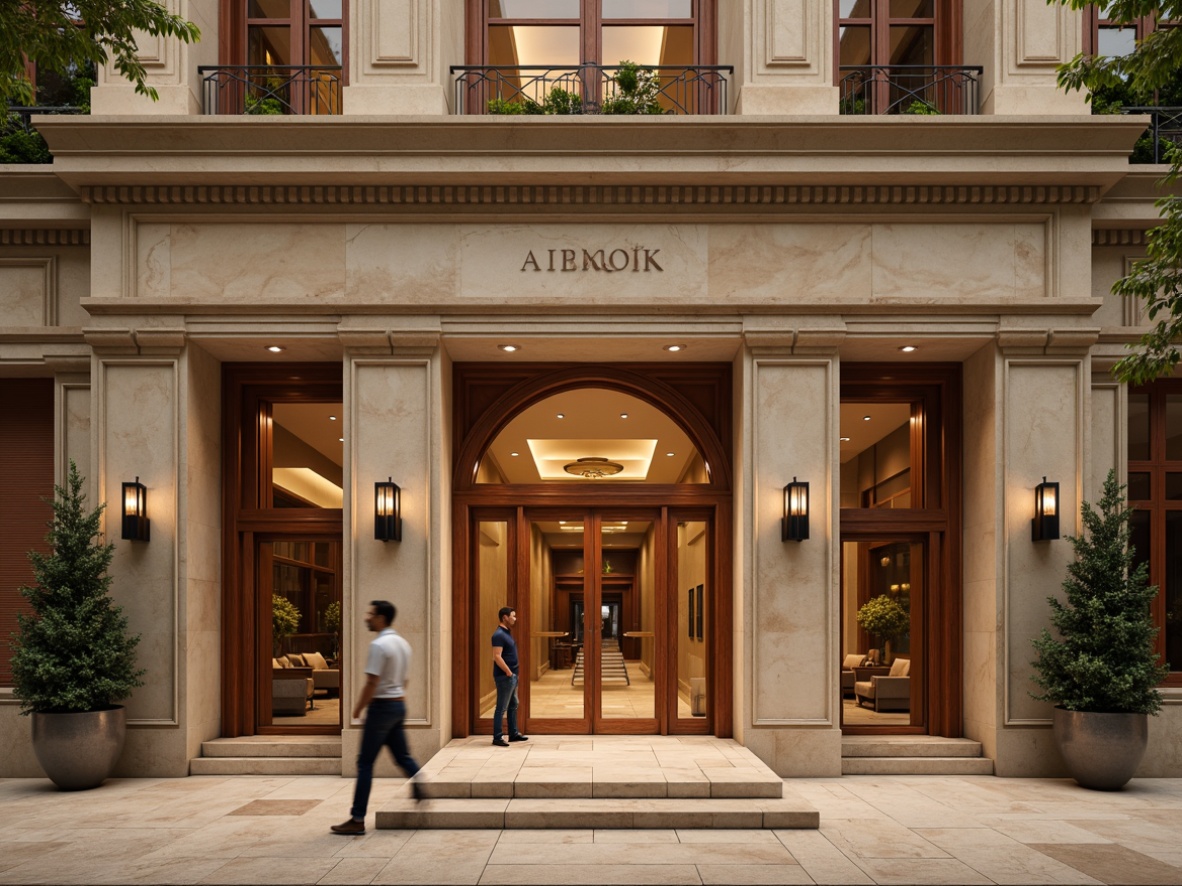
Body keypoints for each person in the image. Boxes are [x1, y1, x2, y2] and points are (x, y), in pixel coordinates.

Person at [331, 600, 425, 835]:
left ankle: (357, 818)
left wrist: (358, 708)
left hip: (381, 709)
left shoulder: (379, 645)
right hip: (398, 706)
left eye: (371, 614)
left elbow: (372, 681)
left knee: (365, 763)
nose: (367, 617)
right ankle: (418, 778)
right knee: (402, 755)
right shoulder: (403, 644)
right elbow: (405, 680)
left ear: (381, 618)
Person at [491, 606, 528, 747]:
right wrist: (508, 672)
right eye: (513, 616)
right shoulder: (498, 635)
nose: (515, 618)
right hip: (505, 676)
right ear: (505, 617)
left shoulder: (507, 633)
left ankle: (513, 733)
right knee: (501, 707)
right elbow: (496, 656)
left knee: (514, 704)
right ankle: (497, 737)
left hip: (512, 675)